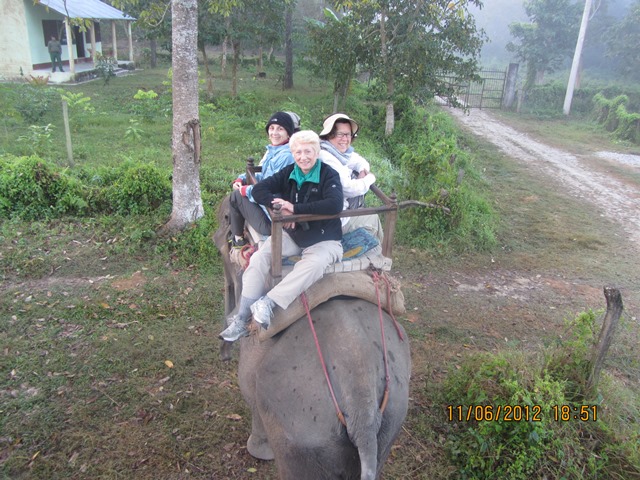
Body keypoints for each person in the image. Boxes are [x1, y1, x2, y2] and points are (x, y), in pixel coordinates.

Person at [220, 130, 344, 342]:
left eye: (308, 151)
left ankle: (268, 302)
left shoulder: (328, 174)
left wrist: (294, 208)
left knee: (314, 265)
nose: (303, 157)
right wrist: (279, 205)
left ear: (316, 152)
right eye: (298, 152)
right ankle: (241, 319)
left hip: (324, 239)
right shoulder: (290, 172)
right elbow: (260, 191)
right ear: (292, 153)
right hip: (295, 235)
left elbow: (335, 204)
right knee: (260, 257)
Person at [228, 111, 300, 248]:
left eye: (280, 129)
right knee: (239, 193)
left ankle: (237, 240)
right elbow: (263, 174)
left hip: (273, 218)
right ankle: (237, 235)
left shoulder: (286, 156)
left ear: (289, 133)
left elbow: (270, 188)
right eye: (272, 128)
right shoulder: (275, 150)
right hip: (268, 208)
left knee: (235, 196)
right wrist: (241, 179)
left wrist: (245, 190)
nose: (275, 133)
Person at [318, 113, 383, 242]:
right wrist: (370, 178)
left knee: (368, 215)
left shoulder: (337, 152)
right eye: (339, 134)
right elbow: (348, 188)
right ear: (329, 135)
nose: (345, 139)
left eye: (348, 134)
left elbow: (361, 162)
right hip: (333, 219)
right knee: (373, 218)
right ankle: (380, 257)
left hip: (336, 212)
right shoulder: (325, 157)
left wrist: (362, 174)